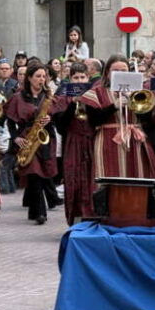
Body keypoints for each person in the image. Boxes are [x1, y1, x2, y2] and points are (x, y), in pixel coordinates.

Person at [80, 55, 155, 182]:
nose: (120, 74)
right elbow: (93, 120)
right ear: (107, 73)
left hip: (135, 140)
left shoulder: (139, 91)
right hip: (108, 141)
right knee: (109, 177)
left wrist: (134, 102)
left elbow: (148, 119)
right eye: (116, 71)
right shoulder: (97, 92)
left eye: (124, 71)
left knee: (137, 178)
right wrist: (113, 106)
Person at [6, 59, 62, 225]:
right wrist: (15, 137)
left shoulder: (49, 97)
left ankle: (34, 210)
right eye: (38, 76)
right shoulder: (18, 97)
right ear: (29, 78)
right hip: (27, 138)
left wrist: (50, 119)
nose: (41, 79)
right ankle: (40, 213)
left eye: (44, 76)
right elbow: (9, 120)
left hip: (46, 138)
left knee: (43, 173)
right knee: (35, 174)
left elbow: (58, 117)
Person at [54, 63, 95, 224]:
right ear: (70, 79)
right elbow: (60, 125)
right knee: (73, 182)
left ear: (88, 78)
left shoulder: (93, 95)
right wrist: (73, 104)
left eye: (82, 77)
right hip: (72, 143)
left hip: (91, 142)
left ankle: (92, 219)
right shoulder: (63, 97)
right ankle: (75, 220)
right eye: (76, 77)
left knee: (91, 182)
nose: (79, 81)